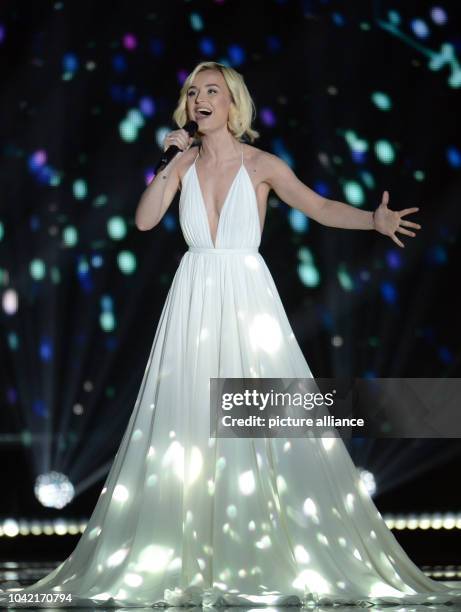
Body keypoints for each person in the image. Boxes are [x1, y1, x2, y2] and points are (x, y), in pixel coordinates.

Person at [1, 60, 460, 609]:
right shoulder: (183, 162)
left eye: (212, 90)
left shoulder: (262, 164)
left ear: (233, 103)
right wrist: (168, 164)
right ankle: (191, 549)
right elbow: (146, 220)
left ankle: (261, 543)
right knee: (188, 426)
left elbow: (317, 206)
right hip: (193, 300)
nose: (201, 99)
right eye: (193, 91)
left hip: (247, 299)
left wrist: (372, 221)